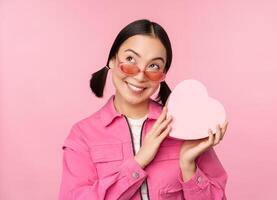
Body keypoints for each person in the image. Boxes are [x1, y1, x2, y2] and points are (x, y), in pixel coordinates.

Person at [58, 18, 229, 200]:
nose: (140, 76)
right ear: (113, 61)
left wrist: (189, 167)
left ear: (162, 75)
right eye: (131, 59)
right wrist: (138, 162)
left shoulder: (185, 125)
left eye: (153, 66)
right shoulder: (82, 135)